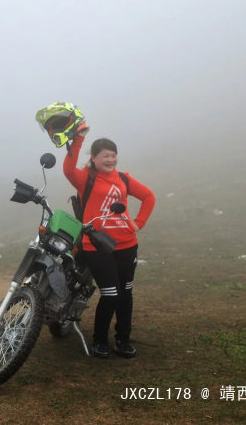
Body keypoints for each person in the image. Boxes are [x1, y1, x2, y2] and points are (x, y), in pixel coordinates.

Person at [63, 126, 156, 359]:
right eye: (105, 155)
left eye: (113, 155)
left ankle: (123, 340)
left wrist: (138, 223)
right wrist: (79, 139)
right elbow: (68, 169)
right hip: (98, 246)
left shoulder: (124, 178)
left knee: (125, 293)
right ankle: (100, 341)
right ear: (93, 158)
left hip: (127, 244)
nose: (111, 159)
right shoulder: (85, 179)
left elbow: (149, 196)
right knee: (111, 293)